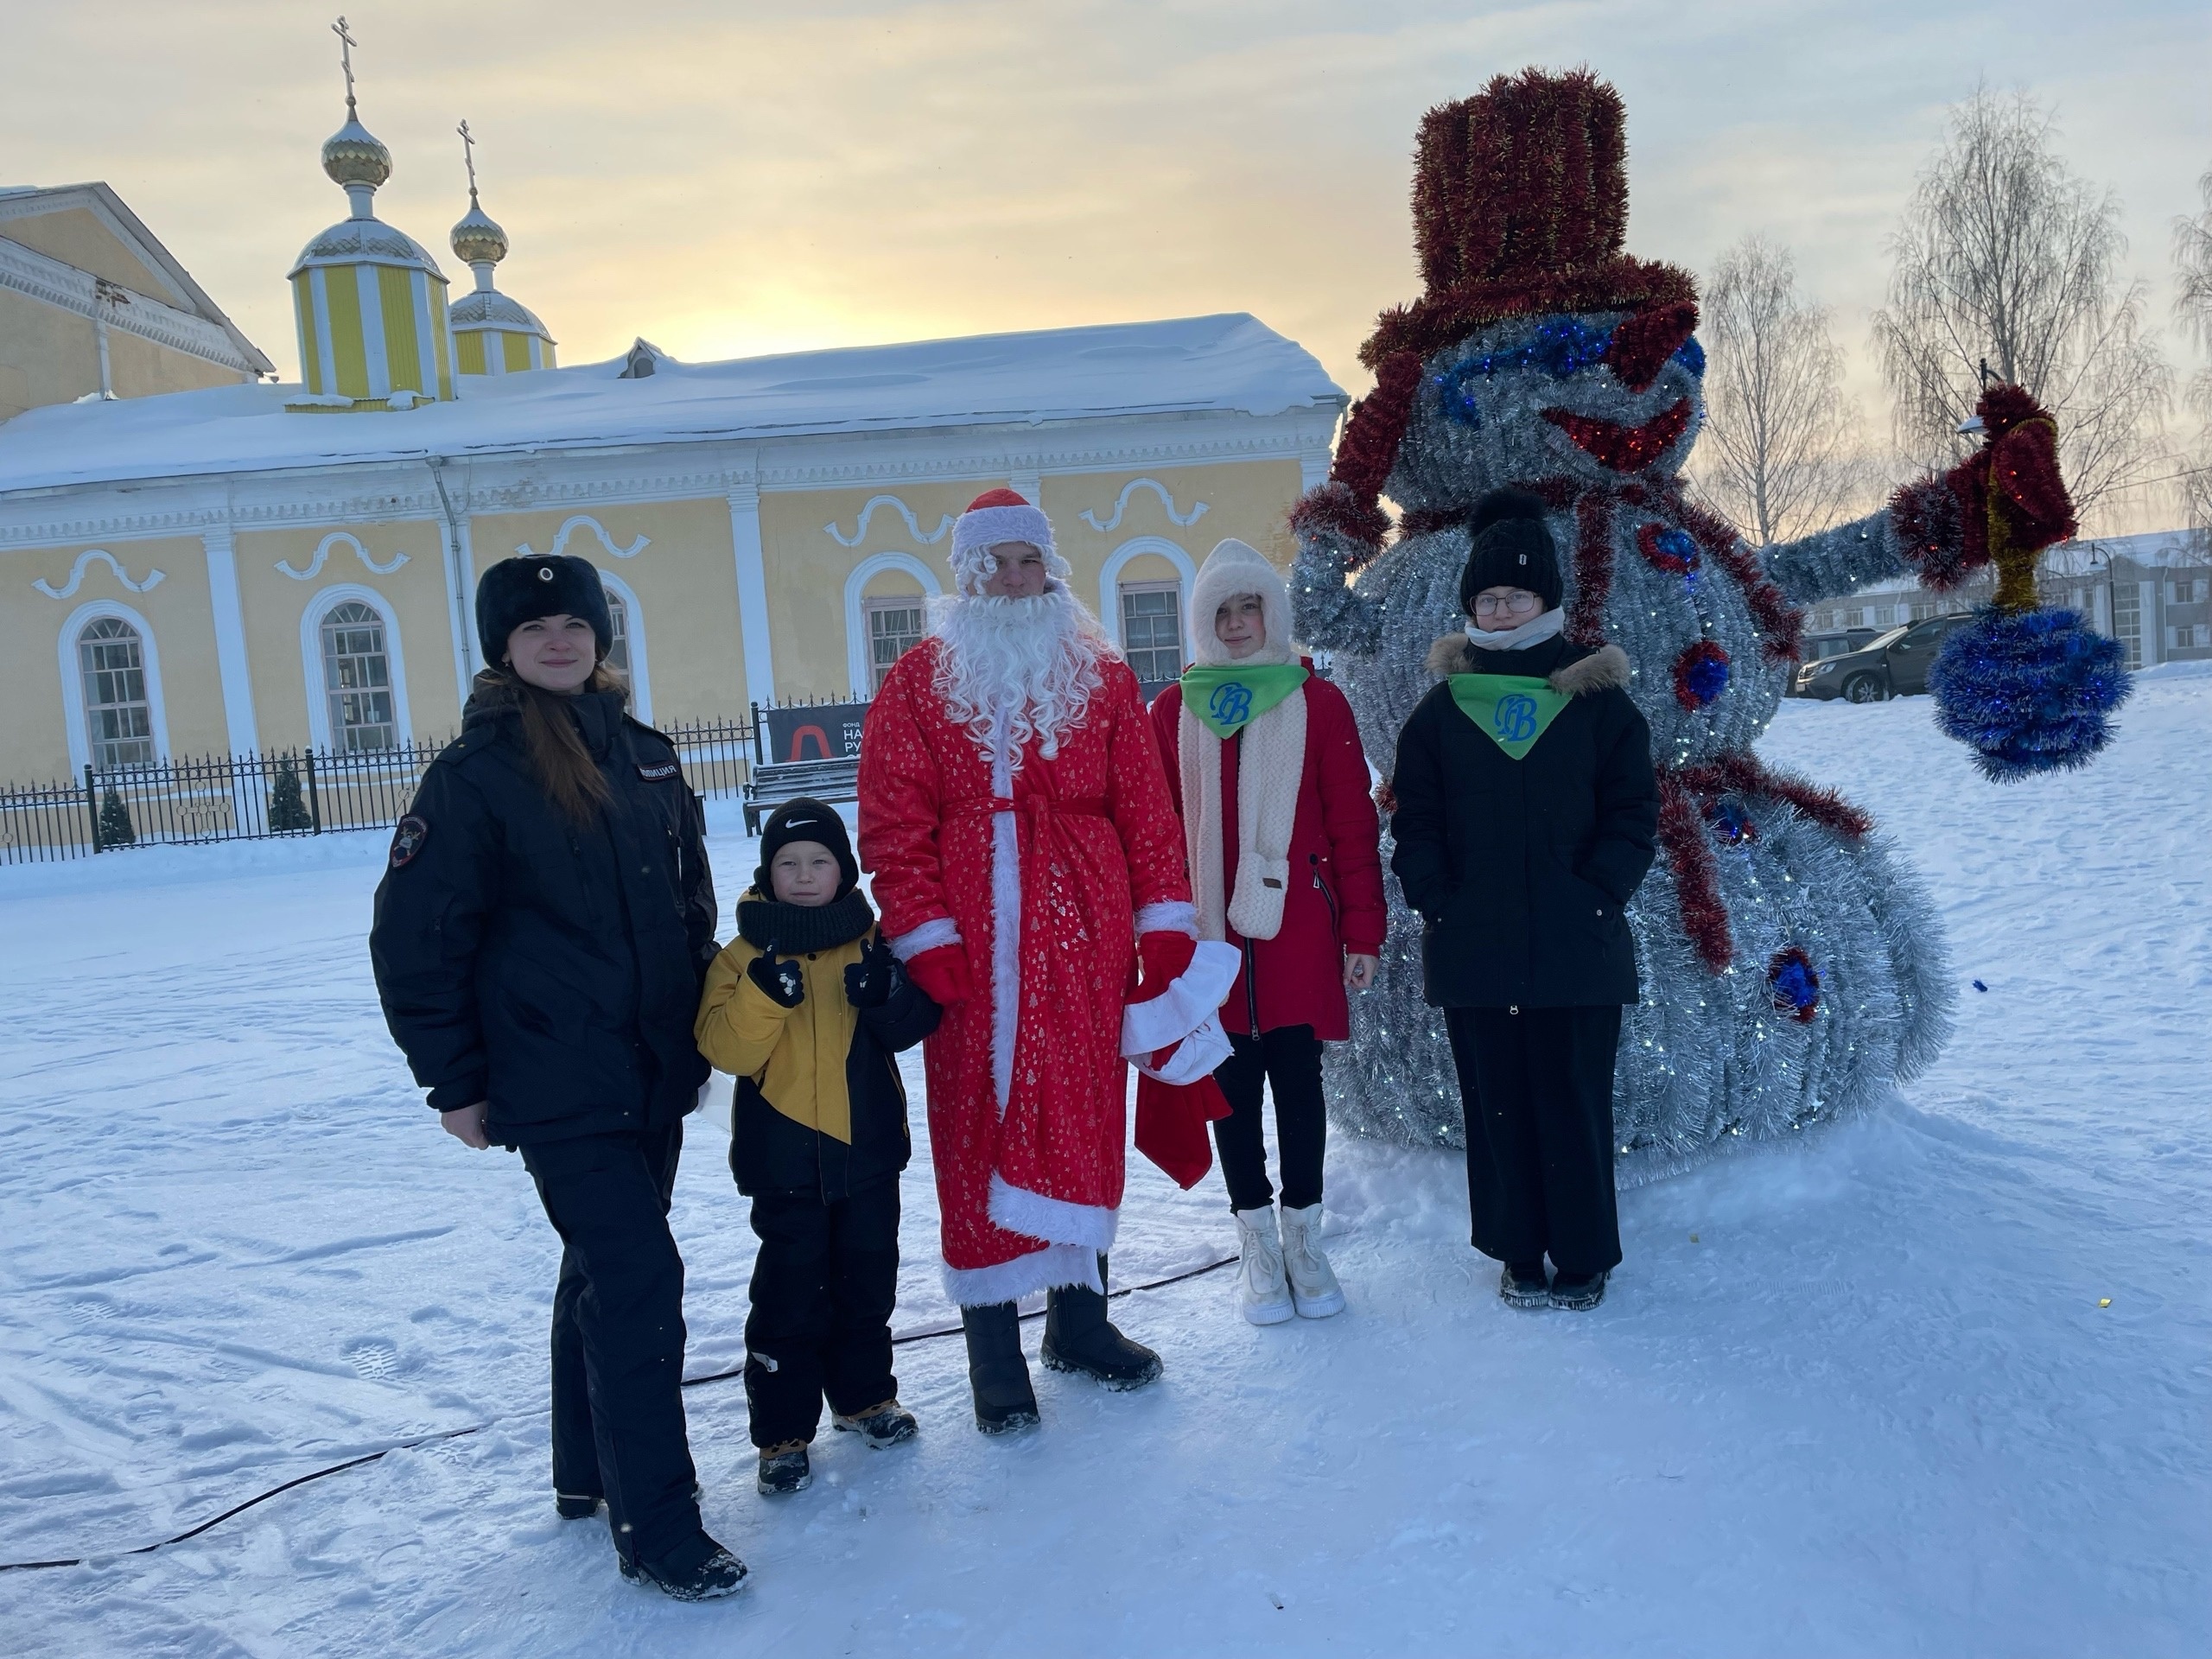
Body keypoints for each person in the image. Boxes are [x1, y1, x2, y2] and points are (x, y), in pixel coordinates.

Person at [369, 553, 745, 1600]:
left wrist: (693, 1032)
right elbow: (415, 938)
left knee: (599, 1268)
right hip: (552, 1074)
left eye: (572, 623)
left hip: (650, 1069)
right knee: (637, 1278)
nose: (556, 640)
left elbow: (688, 905)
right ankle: (658, 1528)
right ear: (503, 647)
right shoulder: (476, 774)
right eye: (532, 628)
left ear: (598, 636)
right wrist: (452, 1081)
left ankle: (586, 1471)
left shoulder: (645, 757)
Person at [857, 487, 1208, 1433]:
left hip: (1086, 939)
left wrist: (1162, 923)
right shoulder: (920, 682)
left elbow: (1144, 808)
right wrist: (924, 934)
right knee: (976, 1122)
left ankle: (1080, 1323)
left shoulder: (1100, 678)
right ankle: (992, 1348)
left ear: (1050, 570)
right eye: (996, 564)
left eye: (1029, 562)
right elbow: (894, 821)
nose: (1016, 580)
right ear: (965, 574)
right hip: (973, 945)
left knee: (1083, 1113)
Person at [1387, 490, 1658, 1312]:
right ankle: (1517, 1250)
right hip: (1477, 944)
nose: (1501, 610)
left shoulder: (1597, 699)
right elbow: (1418, 819)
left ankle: (1582, 1255)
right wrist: (1440, 899)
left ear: (1548, 600)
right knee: (1499, 1105)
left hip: (1580, 941)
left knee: (1572, 1102)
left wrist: (1599, 891)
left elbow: (1633, 810)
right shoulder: (1440, 712)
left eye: (1516, 595)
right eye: (1487, 598)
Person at [1149, 537, 1386, 1325]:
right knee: (1231, 1090)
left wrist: (1363, 933)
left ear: (1273, 613)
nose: (1240, 621)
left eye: (1252, 605)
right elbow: (1154, 837)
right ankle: (1255, 1244)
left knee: (1299, 1082)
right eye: (1224, 610)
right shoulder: (1173, 711)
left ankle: (1305, 1241)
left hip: (1297, 932)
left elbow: (1354, 827)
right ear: (1203, 623)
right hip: (1207, 941)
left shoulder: (1318, 702)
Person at [694, 798, 938, 1497]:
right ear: (768, 872)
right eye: (788, 864)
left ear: (844, 870)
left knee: (867, 1283)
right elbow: (725, 1049)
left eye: (819, 862)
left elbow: (913, 1025)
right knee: (790, 1296)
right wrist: (764, 997)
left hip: (867, 1154)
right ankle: (782, 1432)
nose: (804, 876)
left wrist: (889, 992)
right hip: (785, 1161)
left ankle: (865, 1398)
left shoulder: (872, 943)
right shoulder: (742, 955)